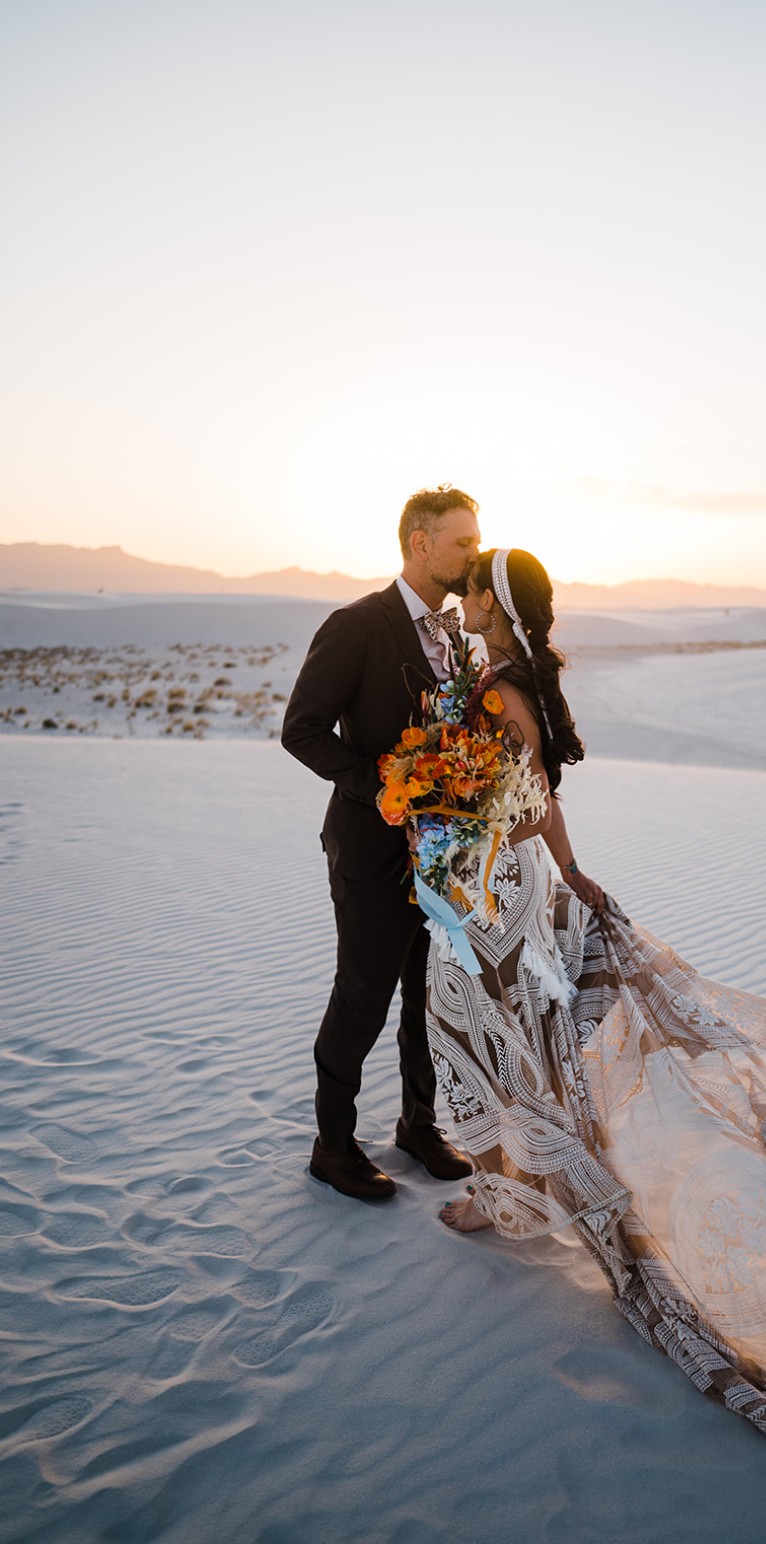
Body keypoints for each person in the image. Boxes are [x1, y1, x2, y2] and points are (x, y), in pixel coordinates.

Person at [422, 547, 766, 1498]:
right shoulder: (519, 685)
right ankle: (510, 1184)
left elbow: (504, 808)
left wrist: (449, 827)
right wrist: (568, 868)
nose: (461, 601)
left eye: (473, 591)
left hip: (497, 896)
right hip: (518, 886)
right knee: (519, 1046)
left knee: (492, 1039)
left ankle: (505, 1191)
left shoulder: (496, 698)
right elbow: (545, 801)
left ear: (494, 606)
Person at [281, 485, 481, 1200]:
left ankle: (418, 1127)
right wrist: (384, 784)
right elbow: (300, 729)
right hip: (370, 849)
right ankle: (332, 1146)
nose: (473, 552)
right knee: (361, 996)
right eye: (461, 540)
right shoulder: (358, 624)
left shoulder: (457, 635)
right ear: (420, 543)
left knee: (427, 996)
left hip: (441, 855)